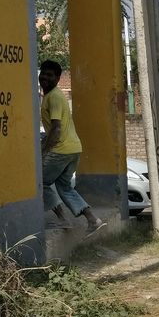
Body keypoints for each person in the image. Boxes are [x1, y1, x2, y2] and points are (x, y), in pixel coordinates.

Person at [38, 60, 105, 233]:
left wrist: (44, 151)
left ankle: (63, 219)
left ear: (58, 78)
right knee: (65, 187)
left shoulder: (53, 97)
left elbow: (56, 128)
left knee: (40, 182)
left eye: (50, 75)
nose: (45, 77)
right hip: (73, 148)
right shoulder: (53, 95)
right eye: (43, 73)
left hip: (61, 149)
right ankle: (93, 220)